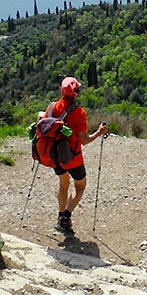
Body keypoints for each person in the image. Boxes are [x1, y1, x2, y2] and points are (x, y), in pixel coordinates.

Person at [44, 76, 107, 235]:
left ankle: (60, 215)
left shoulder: (51, 107)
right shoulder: (79, 112)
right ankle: (66, 216)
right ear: (76, 93)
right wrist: (99, 133)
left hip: (55, 157)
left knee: (63, 184)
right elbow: (84, 140)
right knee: (80, 185)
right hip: (73, 158)